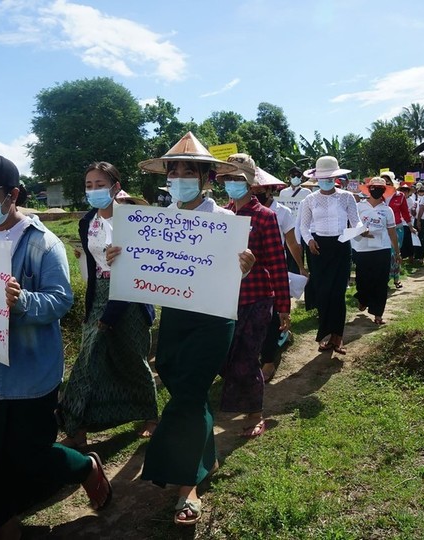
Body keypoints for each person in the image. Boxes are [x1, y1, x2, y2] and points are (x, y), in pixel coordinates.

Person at [0, 154, 112, 539]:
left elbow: (61, 300)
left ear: (12, 195)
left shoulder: (42, 244)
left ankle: (83, 467)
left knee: (27, 456)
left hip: (25, 371)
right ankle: (4, 525)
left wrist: (20, 302)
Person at [116, 132, 254, 526]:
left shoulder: (225, 221)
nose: (178, 177)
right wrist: (120, 257)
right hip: (175, 315)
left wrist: (246, 265)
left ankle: (184, 486)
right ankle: (204, 458)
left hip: (214, 318)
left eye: (187, 171)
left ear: (207, 178)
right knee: (181, 384)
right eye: (173, 171)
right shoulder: (160, 220)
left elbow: (239, 272)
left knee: (191, 389)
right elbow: (144, 265)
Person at [57, 161, 159, 449]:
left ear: (115, 187)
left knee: (133, 358)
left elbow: (137, 268)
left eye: (100, 185)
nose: (94, 191)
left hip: (130, 297)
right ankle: (77, 428)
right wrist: (93, 308)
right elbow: (91, 269)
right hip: (100, 294)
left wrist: (112, 313)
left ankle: (150, 415)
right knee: (88, 363)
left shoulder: (133, 221)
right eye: (89, 186)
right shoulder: (87, 222)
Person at [218, 154, 290, 438]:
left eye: (238, 178)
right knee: (224, 357)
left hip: (257, 297)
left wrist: (283, 307)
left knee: (248, 357)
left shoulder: (265, 217)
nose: (232, 184)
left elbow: (277, 264)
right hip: (223, 299)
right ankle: (237, 397)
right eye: (228, 178)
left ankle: (255, 412)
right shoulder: (220, 215)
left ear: (250, 182)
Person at [251, 168, 307, 383]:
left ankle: (268, 361)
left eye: (259, 188)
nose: (255, 191)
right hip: (246, 272)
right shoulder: (238, 210)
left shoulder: (281, 212)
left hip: (272, 267)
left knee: (273, 313)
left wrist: (300, 267)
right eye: (252, 187)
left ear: (270, 190)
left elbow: (292, 242)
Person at [299, 156, 360, 354]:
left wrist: (360, 229)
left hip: (341, 246)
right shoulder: (309, 199)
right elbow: (303, 225)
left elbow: (355, 221)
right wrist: (309, 240)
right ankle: (325, 333)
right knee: (323, 292)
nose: (325, 180)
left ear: (336, 177)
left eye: (329, 177)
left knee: (338, 293)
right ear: (316, 179)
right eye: (322, 177)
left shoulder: (346, 197)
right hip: (318, 248)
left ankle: (337, 337)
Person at [352, 177, 401, 325]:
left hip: (382, 248)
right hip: (361, 248)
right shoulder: (359, 207)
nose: (376, 191)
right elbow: (352, 225)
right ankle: (363, 299)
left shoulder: (387, 210)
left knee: (381, 281)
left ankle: (378, 313)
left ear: (384, 191)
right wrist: (360, 231)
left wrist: (397, 252)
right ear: (369, 189)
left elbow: (392, 232)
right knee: (363, 279)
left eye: (380, 188)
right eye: (373, 188)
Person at [381, 172, 411, 289]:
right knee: (385, 254)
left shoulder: (400, 196)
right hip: (382, 229)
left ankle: (396, 278)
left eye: (387, 181)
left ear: (392, 182)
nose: (386, 184)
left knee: (395, 253)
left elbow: (405, 212)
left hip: (397, 229)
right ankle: (385, 279)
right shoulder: (378, 195)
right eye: (383, 182)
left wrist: (410, 226)